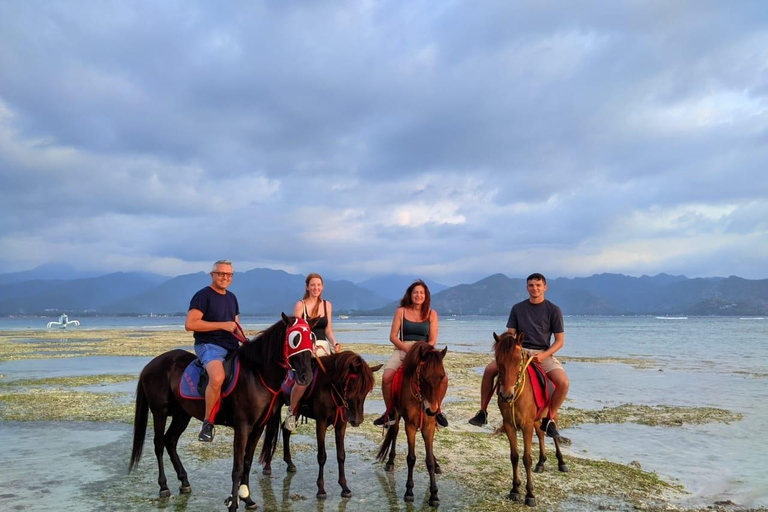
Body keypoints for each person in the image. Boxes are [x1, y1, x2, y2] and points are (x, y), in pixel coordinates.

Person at [468, 273, 569, 438]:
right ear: (527, 287)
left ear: (545, 287)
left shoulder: (553, 310)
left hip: (542, 353)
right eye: (531, 285)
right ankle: (483, 412)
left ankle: (549, 418)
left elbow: (559, 341)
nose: (534, 288)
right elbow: (510, 334)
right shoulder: (518, 308)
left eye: (538, 285)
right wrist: (511, 349)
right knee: (488, 371)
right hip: (518, 351)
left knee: (563, 382)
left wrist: (544, 355)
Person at [374, 279, 448, 428]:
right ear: (410, 294)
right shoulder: (400, 312)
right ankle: (390, 412)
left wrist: (422, 351)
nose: (418, 295)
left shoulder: (431, 314)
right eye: (415, 292)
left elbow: (433, 339)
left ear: (426, 296)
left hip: (425, 351)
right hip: (403, 348)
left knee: (444, 379)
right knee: (387, 376)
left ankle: (437, 410)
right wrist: (407, 349)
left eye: (421, 293)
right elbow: (393, 336)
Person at [185, 260, 241, 442]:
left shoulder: (232, 298)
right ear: (212, 275)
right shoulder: (203, 296)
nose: (225, 277)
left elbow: (235, 325)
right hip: (209, 345)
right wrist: (222, 325)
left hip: (232, 345)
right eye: (221, 274)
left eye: (229, 274)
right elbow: (190, 324)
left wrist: (246, 341)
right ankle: (208, 423)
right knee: (217, 377)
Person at [283, 272, 342, 432]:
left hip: (324, 346)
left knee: (339, 377)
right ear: (307, 287)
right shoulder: (300, 305)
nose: (316, 288)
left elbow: (328, 329)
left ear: (322, 287)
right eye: (312, 285)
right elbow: (296, 331)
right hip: (305, 348)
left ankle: (338, 413)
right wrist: (310, 346)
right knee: (304, 380)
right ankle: (291, 412)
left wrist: (334, 342)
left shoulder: (326, 305)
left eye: (318, 285)